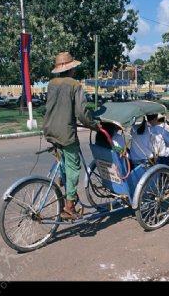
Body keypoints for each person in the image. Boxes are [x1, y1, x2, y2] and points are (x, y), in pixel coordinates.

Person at [43, 52, 101, 220]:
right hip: (65, 132)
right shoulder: (75, 85)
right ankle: (69, 206)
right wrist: (94, 126)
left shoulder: (51, 83)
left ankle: (64, 180)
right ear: (71, 68)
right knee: (74, 166)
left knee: (65, 159)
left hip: (50, 129)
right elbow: (82, 113)